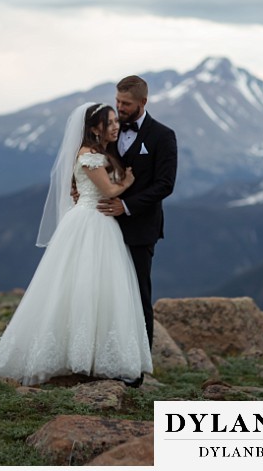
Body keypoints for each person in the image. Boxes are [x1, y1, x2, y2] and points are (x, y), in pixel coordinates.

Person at [0, 102, 152, 386]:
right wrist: (128, 182)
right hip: (91, 223)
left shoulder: (97, 154)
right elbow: (109, 190)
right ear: (95, 128)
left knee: (94, 286)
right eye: (109, 122)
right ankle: (77, 354)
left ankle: (90, 354)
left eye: (115, 121)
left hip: (97, 222)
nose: (115, 126)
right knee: (85, 284)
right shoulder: (90, 156)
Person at [97, 75, 177, 361]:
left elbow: (165, 184)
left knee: (138, 295)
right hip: (103, 226)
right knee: (105, 293)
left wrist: (126, 206)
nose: (119, 107)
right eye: (117, 101)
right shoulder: (108, 131)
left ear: (143, 102)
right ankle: (107, 356)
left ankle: (139, 365)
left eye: (126, 103)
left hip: (140, 229)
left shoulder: (163, 136)